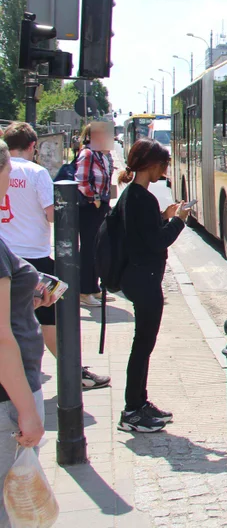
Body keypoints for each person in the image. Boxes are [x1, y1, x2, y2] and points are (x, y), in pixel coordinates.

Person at [0, 124, 110, 391]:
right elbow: (53, 214)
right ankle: (73, 371)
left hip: (5, 254)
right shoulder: (35, 173)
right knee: (53, 317)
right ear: (32, 145)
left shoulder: (4, 169)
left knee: (11, 319)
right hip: (35, 259)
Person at [0, 138, 60, 527]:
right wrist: (27, 412)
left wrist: (28, 302)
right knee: (14, 507)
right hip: (8, 399)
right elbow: (0, 338)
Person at [115, 139, 189, 433]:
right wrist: (179, 222)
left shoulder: (133, 194)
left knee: (143, 345)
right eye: (163, 165)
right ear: (150, 165)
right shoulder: (141, 197)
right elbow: (157, 241)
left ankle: (140, 402)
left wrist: (164, 217)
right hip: (144, 280)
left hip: (138, 277)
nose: (165, 170)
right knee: (142, 345)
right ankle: (132, 410)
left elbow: (142, 232)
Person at [75, 123, 115, 307]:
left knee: (97, 247)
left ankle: (94, 288)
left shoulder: (102, 155)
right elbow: (81, 181)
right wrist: (95, 199)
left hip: (100, 205)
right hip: (90, 208)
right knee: (89, 248)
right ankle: (84, 291)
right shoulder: (88, 154)